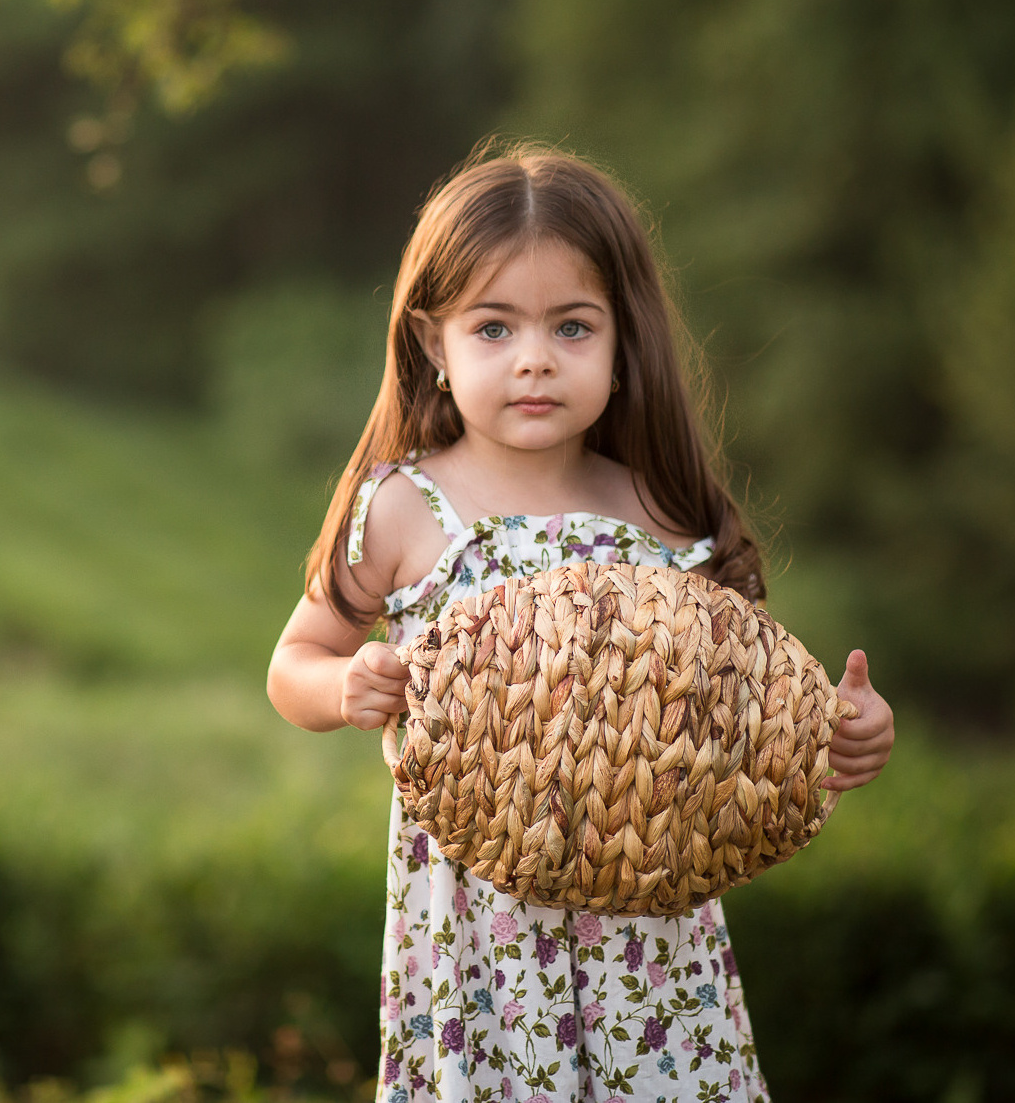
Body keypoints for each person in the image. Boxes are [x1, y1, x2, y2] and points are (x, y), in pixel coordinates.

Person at [267, 143, 895, 1103]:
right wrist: (345, 685)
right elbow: (294, 662)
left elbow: (739, 708)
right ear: (433, 345)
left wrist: (842, 731)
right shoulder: (404, 507)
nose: (534, 358)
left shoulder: (660, 511)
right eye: (492, 327)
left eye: (571, 326)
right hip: (481, 922)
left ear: (622, 339)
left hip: (651, 927)